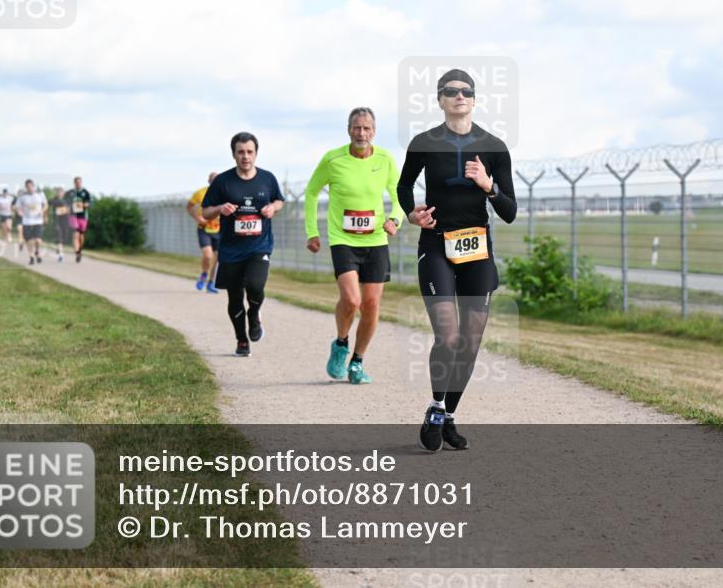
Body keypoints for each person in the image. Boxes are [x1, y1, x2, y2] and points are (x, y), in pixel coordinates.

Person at [397, 68, 517, 452]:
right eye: (451, 91)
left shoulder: (494, 147)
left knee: (469, 341)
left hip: (477, 249)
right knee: (448, 336)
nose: (459, 96)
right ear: (440, 99)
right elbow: (403, 186)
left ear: (475, 99)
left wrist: (488, 185)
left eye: (466, 91)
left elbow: (510, 210)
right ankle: (436, 407)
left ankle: (449, 414)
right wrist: (411, 213)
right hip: (435, 245)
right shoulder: (423, 143)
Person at [305, 107, 401, 385]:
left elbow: (399, 195)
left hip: (376, 240)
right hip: (343, 239)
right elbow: (311, 192)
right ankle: (340, 344)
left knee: (371, 304)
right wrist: (312, 231)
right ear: (349, 130)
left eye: (367, 128)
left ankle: (357, 362)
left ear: (375, 131)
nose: (362, 133)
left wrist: (395, 219)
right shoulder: (332, 159)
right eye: (357, 128)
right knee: (352, 300)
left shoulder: (384, 159)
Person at [200, 132, 285, 357]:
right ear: (234, 154)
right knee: (235, 298)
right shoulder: (222, 182)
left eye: (249, 152)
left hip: (259, 245)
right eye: (241, 152)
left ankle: (254, 316)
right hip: (230, 250)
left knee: (256, 285)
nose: (245, 156)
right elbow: (205, 212)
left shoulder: (267, 179)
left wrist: (272, 208)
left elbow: (279, 201)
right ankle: (241, 340)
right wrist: (220, 209)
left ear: (256, 153)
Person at [186, 172, 221, 294]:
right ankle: (204, 275)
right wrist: (197, 218)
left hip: (219, 230)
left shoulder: (226, 194)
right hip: (204, 229)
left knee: (218, 259)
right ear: (209, 181)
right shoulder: (200, 193)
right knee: (208, 255)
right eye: (213, 180)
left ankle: (211, 283)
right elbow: (189, 207)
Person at [16, 179, 48, 265]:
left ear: (33, 186)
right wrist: (19, 212)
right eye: (28, 187)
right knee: (29, 241)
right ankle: (31, 257)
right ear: (26, 187)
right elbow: (18, 206)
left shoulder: (40, 194)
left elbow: (45, 205)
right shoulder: (22, 196)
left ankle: (37, 251)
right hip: (26, 221)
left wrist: (42, 211)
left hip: (38, 220)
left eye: (31, 186)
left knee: (38, 240)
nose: (30, 188)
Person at [65, 176, 91, 262]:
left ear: (81, 183)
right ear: (74, 183)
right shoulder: (69, 193)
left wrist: (81, 205)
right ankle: (77, 253)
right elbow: (65, 203)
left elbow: (88, 204)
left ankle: (80, 250)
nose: (78, 183)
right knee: (75, 235)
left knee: (81, 236)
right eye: (77, 182)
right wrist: (68, 208)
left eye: (80, 182)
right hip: (73, 216)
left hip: (83, 216)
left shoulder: (85, 192)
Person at [49, 188, 71, 262]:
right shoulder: (53, 200)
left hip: (66, 221)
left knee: (64, 238)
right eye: (58, 192)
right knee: (59, 237)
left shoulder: (67, 201)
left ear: (63, 193)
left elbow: (70, 209)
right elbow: (46, 204)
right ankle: (61, 255)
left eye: (61, 192)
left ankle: (58, 248)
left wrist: (68, 209)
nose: (60, 193)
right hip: (57, 221)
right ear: (56, 193)